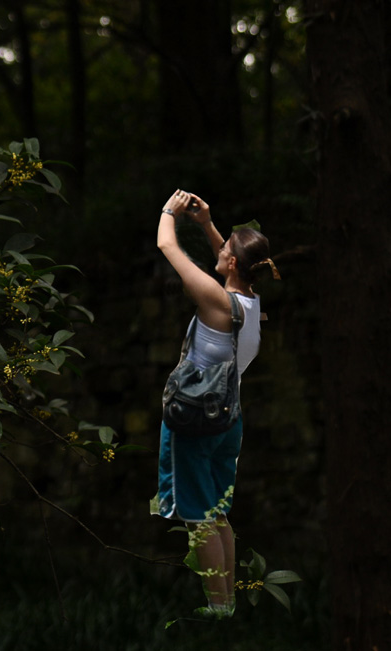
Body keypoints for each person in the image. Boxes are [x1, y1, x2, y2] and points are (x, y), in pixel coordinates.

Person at [153, 189, 278, 619]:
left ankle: (216, 609)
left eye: (224, 248)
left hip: (196, 419)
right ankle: (227, 606)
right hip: (229, 420)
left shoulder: (215, 301)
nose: (219, 248)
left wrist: (170, 211)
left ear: (230, 264)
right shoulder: (251, 304)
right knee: (218, 512)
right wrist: (206, 224)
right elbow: (230, 262)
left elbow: (166, 245)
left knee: (198, 515)